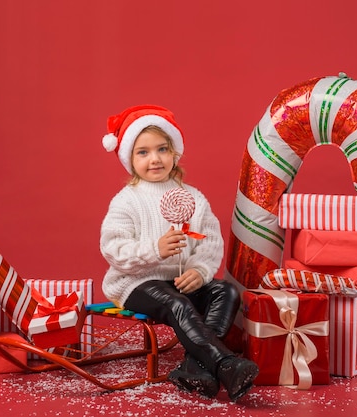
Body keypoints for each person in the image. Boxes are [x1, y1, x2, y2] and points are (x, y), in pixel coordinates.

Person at [99, 104, 259, 401]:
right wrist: (154, 250)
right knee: (177, 305)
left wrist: (199, 271)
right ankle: (225, 363)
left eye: (162, 149)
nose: (155, 158)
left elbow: (210, 241)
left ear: (175, 153)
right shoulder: (126, 201)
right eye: (143, 152)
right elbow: (113, 249)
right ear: (130, 159)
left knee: (226, 292)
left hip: (180, 280)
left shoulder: (193, 198)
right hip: (135, 282)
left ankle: (193, 369)